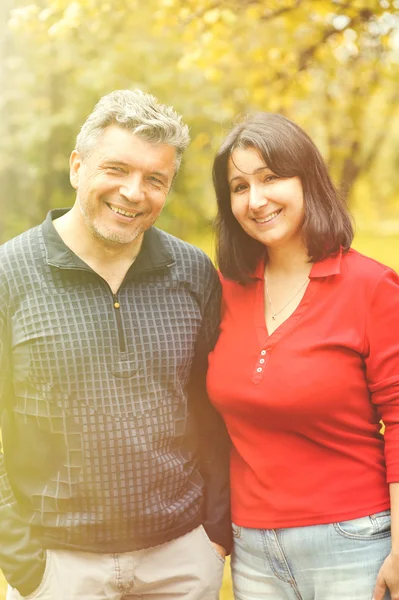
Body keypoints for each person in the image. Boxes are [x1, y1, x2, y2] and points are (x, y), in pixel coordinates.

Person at [0, 89, 231, 600]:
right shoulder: (8, 275)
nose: (133, 192)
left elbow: (215, 408)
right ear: (77, 166)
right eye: (117, 169)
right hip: (58, 564)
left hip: (181, 557)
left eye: (155, 179)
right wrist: (23, 561)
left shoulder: (193, 272)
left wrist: (215, 532)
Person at [206, 112, 399, 600]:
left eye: (271, 178)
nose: (256, 199)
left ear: (307, 179)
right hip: (252, 551)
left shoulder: (371, 287)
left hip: (355, 541)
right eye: (239, 186)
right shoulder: (224, 290)